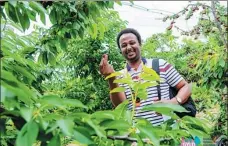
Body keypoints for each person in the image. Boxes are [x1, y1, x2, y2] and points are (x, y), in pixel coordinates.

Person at [99, 28, 192, 126]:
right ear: (120, 50)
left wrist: (173, 102)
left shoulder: (160, 65)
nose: (129, 47)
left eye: (132, 43)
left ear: (140, 44)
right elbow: (120, 105)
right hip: (136, 136)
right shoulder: (120, 76)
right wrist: (111, 77)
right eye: (124, 45)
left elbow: (187, 87)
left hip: (166, 132)